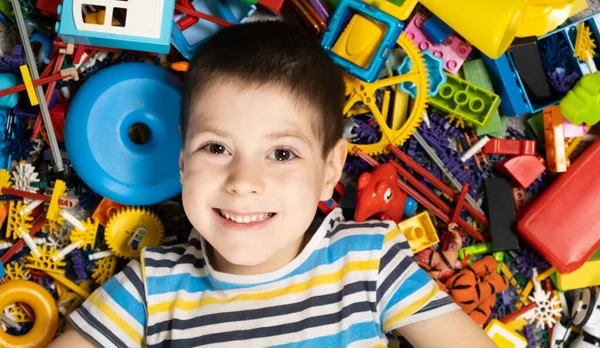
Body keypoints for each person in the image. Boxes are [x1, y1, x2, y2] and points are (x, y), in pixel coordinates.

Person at [50, 20, 496, 347]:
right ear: (182, 159)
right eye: (216, 148)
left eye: (282, 154)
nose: (244, 182)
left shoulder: (367, 261)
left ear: (329, 170)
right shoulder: (153, 287)